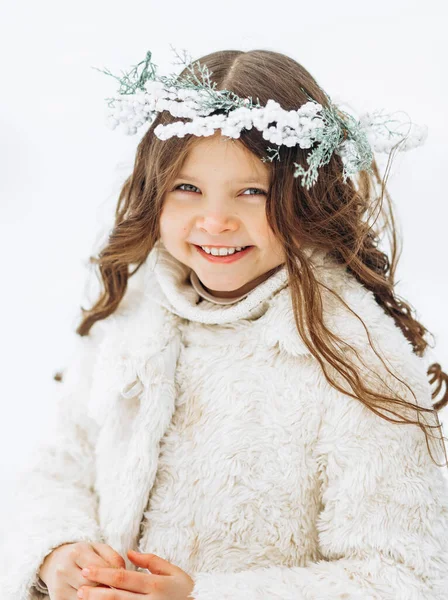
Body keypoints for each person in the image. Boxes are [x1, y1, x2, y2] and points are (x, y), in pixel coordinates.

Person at [2, 47, 448, 600]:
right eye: (188, 188)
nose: (216, 220)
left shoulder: (354, 356)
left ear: (306, 197)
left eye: (252, 192)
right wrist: (57, 550)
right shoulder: (137, 311)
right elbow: (60, 461)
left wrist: (202, 596)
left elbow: (405, 576)